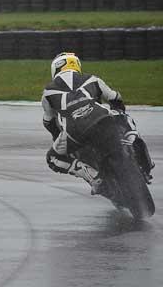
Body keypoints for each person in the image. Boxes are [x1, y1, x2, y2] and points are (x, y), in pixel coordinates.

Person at [42, 52, 154, 194]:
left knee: (52, 158)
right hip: (103, 121)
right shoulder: (92, 79)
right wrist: (119, 114)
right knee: (124, 117)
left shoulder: (48, 91)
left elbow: (49, 122)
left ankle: (93, 177)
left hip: (75, 131)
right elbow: (115, 98)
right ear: (77, 65)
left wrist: (57, 137)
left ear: (55, 69)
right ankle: (135, 148)